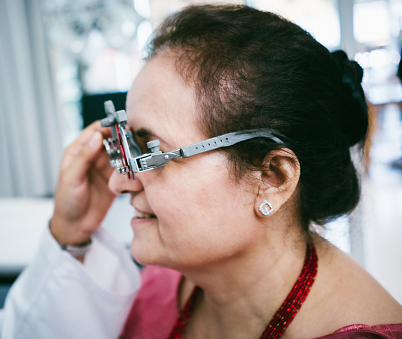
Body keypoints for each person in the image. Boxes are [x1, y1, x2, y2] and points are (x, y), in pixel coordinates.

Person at [50, 4, 402, 338]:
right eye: (127, 146)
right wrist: (72, 233)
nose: (116, 182)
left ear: (272, 179)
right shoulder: (164, 283)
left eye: (149, 150)